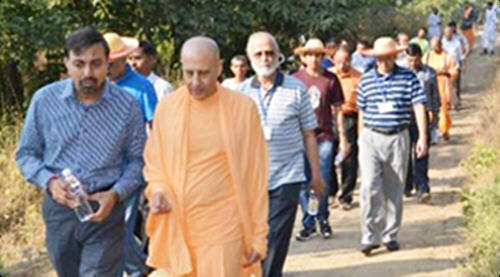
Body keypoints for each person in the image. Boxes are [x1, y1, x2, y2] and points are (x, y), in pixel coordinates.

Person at [16, 28, 146, 276]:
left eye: (96, 64)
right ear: (66, 63)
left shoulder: (127, 106)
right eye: (79, 64)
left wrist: (116, 195)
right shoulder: (44, 101)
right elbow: (26, 154)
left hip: (106, 211)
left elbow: (138, 161)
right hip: (60, 211)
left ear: (108, 63)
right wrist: (50, 183)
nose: (88, 73)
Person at [144, 36, 268, 277]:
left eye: (203, 73)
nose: (195, 82)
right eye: (189, 73)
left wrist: (258, 236)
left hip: (223, 228)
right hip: (178, 225)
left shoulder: (242, 109)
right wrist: (158, 190)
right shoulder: (168, 108)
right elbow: (155, 163)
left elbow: (256, 176)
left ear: (219, 68)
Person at [239, 31, 324, 277]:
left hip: (287, 176)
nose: (265, 58)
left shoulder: (296, 89)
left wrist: (316, 175)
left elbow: (309, 133)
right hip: (250, 180)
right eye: (259, 53)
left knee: (276, 238)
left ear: (278, 57)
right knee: (254, 236)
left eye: (269, 53)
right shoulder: (240, 94)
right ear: (250, 58)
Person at [357, 37, 428, 256]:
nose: (385, 61)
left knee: (394, 187)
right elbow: (362, 110)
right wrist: (361, 138)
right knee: (369, 186)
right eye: (381, 58)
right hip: (371, 137)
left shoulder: (408, 77)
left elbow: (418, 106)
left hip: (398, 136)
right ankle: (369, 236)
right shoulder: (366, 80)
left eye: (389, 57)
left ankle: (390, 235)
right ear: (376, 58)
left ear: (395, 56)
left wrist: (423, 137)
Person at [103, 32, 158, 277]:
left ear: (124, 60)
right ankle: (140, 265)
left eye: (111, 64)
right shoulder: (98, 86)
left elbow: (157, 127)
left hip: (132, 167)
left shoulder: (142, 87)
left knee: (122, 225)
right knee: (108, 227)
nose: (106, 69)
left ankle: (138, 270)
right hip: (102, 168)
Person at [291, 38, 348, 241]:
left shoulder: (330, 80)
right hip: (299, 138)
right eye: (309, 55)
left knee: (321, 180)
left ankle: (323, 218)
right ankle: (309, 220)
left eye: (317, 54)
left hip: (323, 136)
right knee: (303, 181)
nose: (313, 59)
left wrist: (343, 137)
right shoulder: (295, 79)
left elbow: (338, 110)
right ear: (303, 58)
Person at [404, 44, 441, 202]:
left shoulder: (429, 73)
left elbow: (434, 97)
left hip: (424, 116)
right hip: (405, 117)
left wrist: (435, 119)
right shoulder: (401, 74)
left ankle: (422, 187)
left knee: (422, 152)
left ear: (420, 58)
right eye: (410, 60)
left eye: (415, 60)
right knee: (405, 152)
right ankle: (406, 185)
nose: (413, 63)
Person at [329, 46, 362, 210]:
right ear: (333, 61)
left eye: (346, 62)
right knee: (327, 155)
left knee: (349, 159)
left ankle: (346, 195)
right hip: (329, 119)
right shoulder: (328, 75)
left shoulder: (359, 77)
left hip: (350, 118)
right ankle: (332, 192)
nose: (342, 66)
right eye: (339, 62)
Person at [423, 37, 459, 141]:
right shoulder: (427, 57)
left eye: (437, 45)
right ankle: (433, 130)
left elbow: (454, 70)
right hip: (430, 85)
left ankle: (444, 130)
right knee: (431, 109)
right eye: (434, 46)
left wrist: (445, 73)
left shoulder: (447, 56)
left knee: (443, 109)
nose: (436, 48)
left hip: (443, 85)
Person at [442, 24, 466, 108]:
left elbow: (461, 55)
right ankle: (447, 102)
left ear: (452, 33)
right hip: (444, 67)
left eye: (449, 33)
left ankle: (456, 102)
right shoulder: (442, 42)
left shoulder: (457, 43)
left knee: (455, 85)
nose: (447, 34)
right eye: (446, 33)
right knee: (445, 85)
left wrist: (462, 65)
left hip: (455, 66)